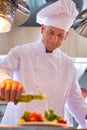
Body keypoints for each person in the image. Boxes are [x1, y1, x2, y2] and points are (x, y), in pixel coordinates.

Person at [0, 0, 87, 128]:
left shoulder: (68, 65)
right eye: (50, 32)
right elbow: (2, 70)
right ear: (42, 28)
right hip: (18, 124)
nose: (54, 39)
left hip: (54, 125)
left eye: (60, 35)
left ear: (66, 36)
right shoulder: (21, 52)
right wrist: (6, 81)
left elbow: (75, 100)